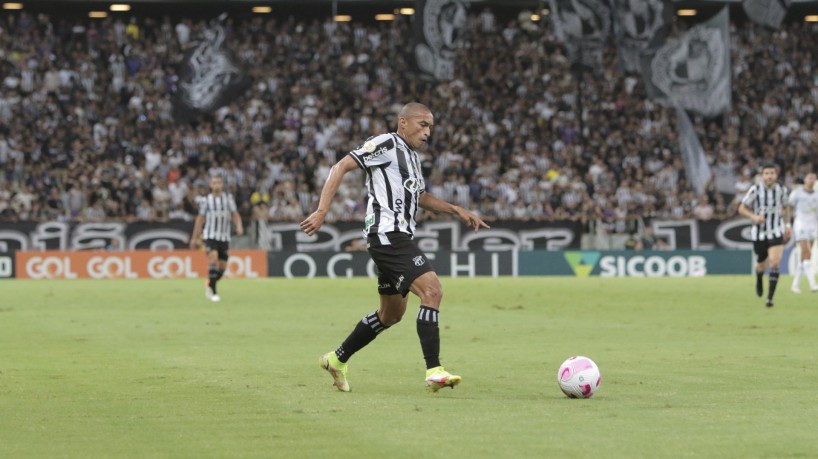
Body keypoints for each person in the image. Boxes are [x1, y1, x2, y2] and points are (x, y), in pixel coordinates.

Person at [300, 102, 489, 392]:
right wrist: (322, 210)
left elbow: (420, 197)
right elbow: (341, 166)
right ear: (403, 123)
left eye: (431, 127)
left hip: (396, 237)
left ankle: (336, 360)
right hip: (388, 236)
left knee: (391, 315)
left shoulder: (412, 158)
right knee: (432, 291)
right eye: (423, 125)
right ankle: (434, 369)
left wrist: (455, 209)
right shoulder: (386, 144)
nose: (428, 132)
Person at [738, 163, 791, 307]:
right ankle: (759, 278)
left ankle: (770, 298)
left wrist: (787, 225)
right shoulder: (755, 190)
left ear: (776, 175)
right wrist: (754, 217)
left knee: (774, 263)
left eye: (772, 173)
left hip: (775, 231)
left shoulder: (781, 190)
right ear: (762, 176)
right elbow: (741, 208)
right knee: (761, 264)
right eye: (766, 173)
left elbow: (786, 207)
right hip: (759, 233)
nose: (769, 176)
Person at [189, 175, 243, 302]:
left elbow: (235, 215)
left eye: (219, 182)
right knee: (213, 258)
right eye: (214, 183)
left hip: (224, 236)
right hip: (210, 235)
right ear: (210, 185)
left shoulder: (228, 199)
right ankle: (213, 292)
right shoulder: (206, 200)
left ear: (222, 184)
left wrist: (239, 226)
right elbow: (200, 219)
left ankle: (210, 283)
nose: (217, 185)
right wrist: (194, 237)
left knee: (222, 267)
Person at [787, 172, 818, 293]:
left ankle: (795, 285)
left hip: (813, 226)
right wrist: (789, 223)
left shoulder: (817, 195)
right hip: (800, 225)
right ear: (805, 179)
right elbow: (788, 206)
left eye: (814, 178)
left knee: (806, 256)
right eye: (810, 177)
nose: (812, 180)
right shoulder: (797, 193)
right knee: (806, 251)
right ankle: (813, 284)